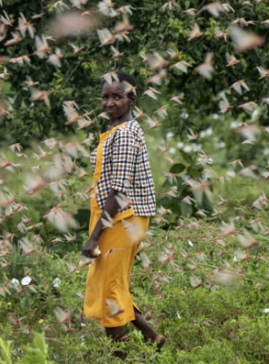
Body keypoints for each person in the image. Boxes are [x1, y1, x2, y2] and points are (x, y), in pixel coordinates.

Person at [81, 71, 165, 355]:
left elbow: (119, 191)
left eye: (117, 96)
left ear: (132, 96)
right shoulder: (115, 132)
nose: (109, 102)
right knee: (112, 284)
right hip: (115, 218)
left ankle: (120, 356)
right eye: (105, 96)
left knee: (109, 292)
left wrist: (93, 238)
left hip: (122, 219)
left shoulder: (126, 135)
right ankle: (152, 338)